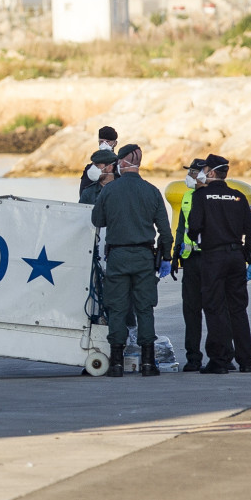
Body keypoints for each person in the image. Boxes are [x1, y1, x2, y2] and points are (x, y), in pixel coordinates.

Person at [90, 144, 173, 378]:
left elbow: (97, 220)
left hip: (118, 256)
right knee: (145, 309)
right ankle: (148, 363)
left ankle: (116, 363)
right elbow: (165, 232)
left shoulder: (110, 190)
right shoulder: (152, 191)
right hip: (145, 257)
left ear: (121, 163)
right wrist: (166, 257)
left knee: (117, 308)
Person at [188, 154, 251, 374]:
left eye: (205, 169)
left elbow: (194, 226)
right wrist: (250, 256)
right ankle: (246, 360)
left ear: (211, 172)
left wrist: (197, 236)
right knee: (238, 308)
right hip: (236, 256)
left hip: (213, 257)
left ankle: (220, 359)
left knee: (215, 307)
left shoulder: (202, 196)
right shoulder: (238, 197)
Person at [171, 157, 209, 371]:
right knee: (191, 310)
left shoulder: (213, 196)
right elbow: (180, 229)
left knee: (215, 308)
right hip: (191, 261)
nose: (190, 176)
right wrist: (176, 253)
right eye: (190, 172)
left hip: (211, 259)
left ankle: (222, 354)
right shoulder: (187, 197)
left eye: (194, 173)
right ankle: (193, 357)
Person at [79, 125, 118, 195]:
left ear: (115, 143)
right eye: (101, 142)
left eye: (108, 142)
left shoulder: (120, 166)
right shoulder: (90, 168)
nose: (104, 144)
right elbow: (83, 192)